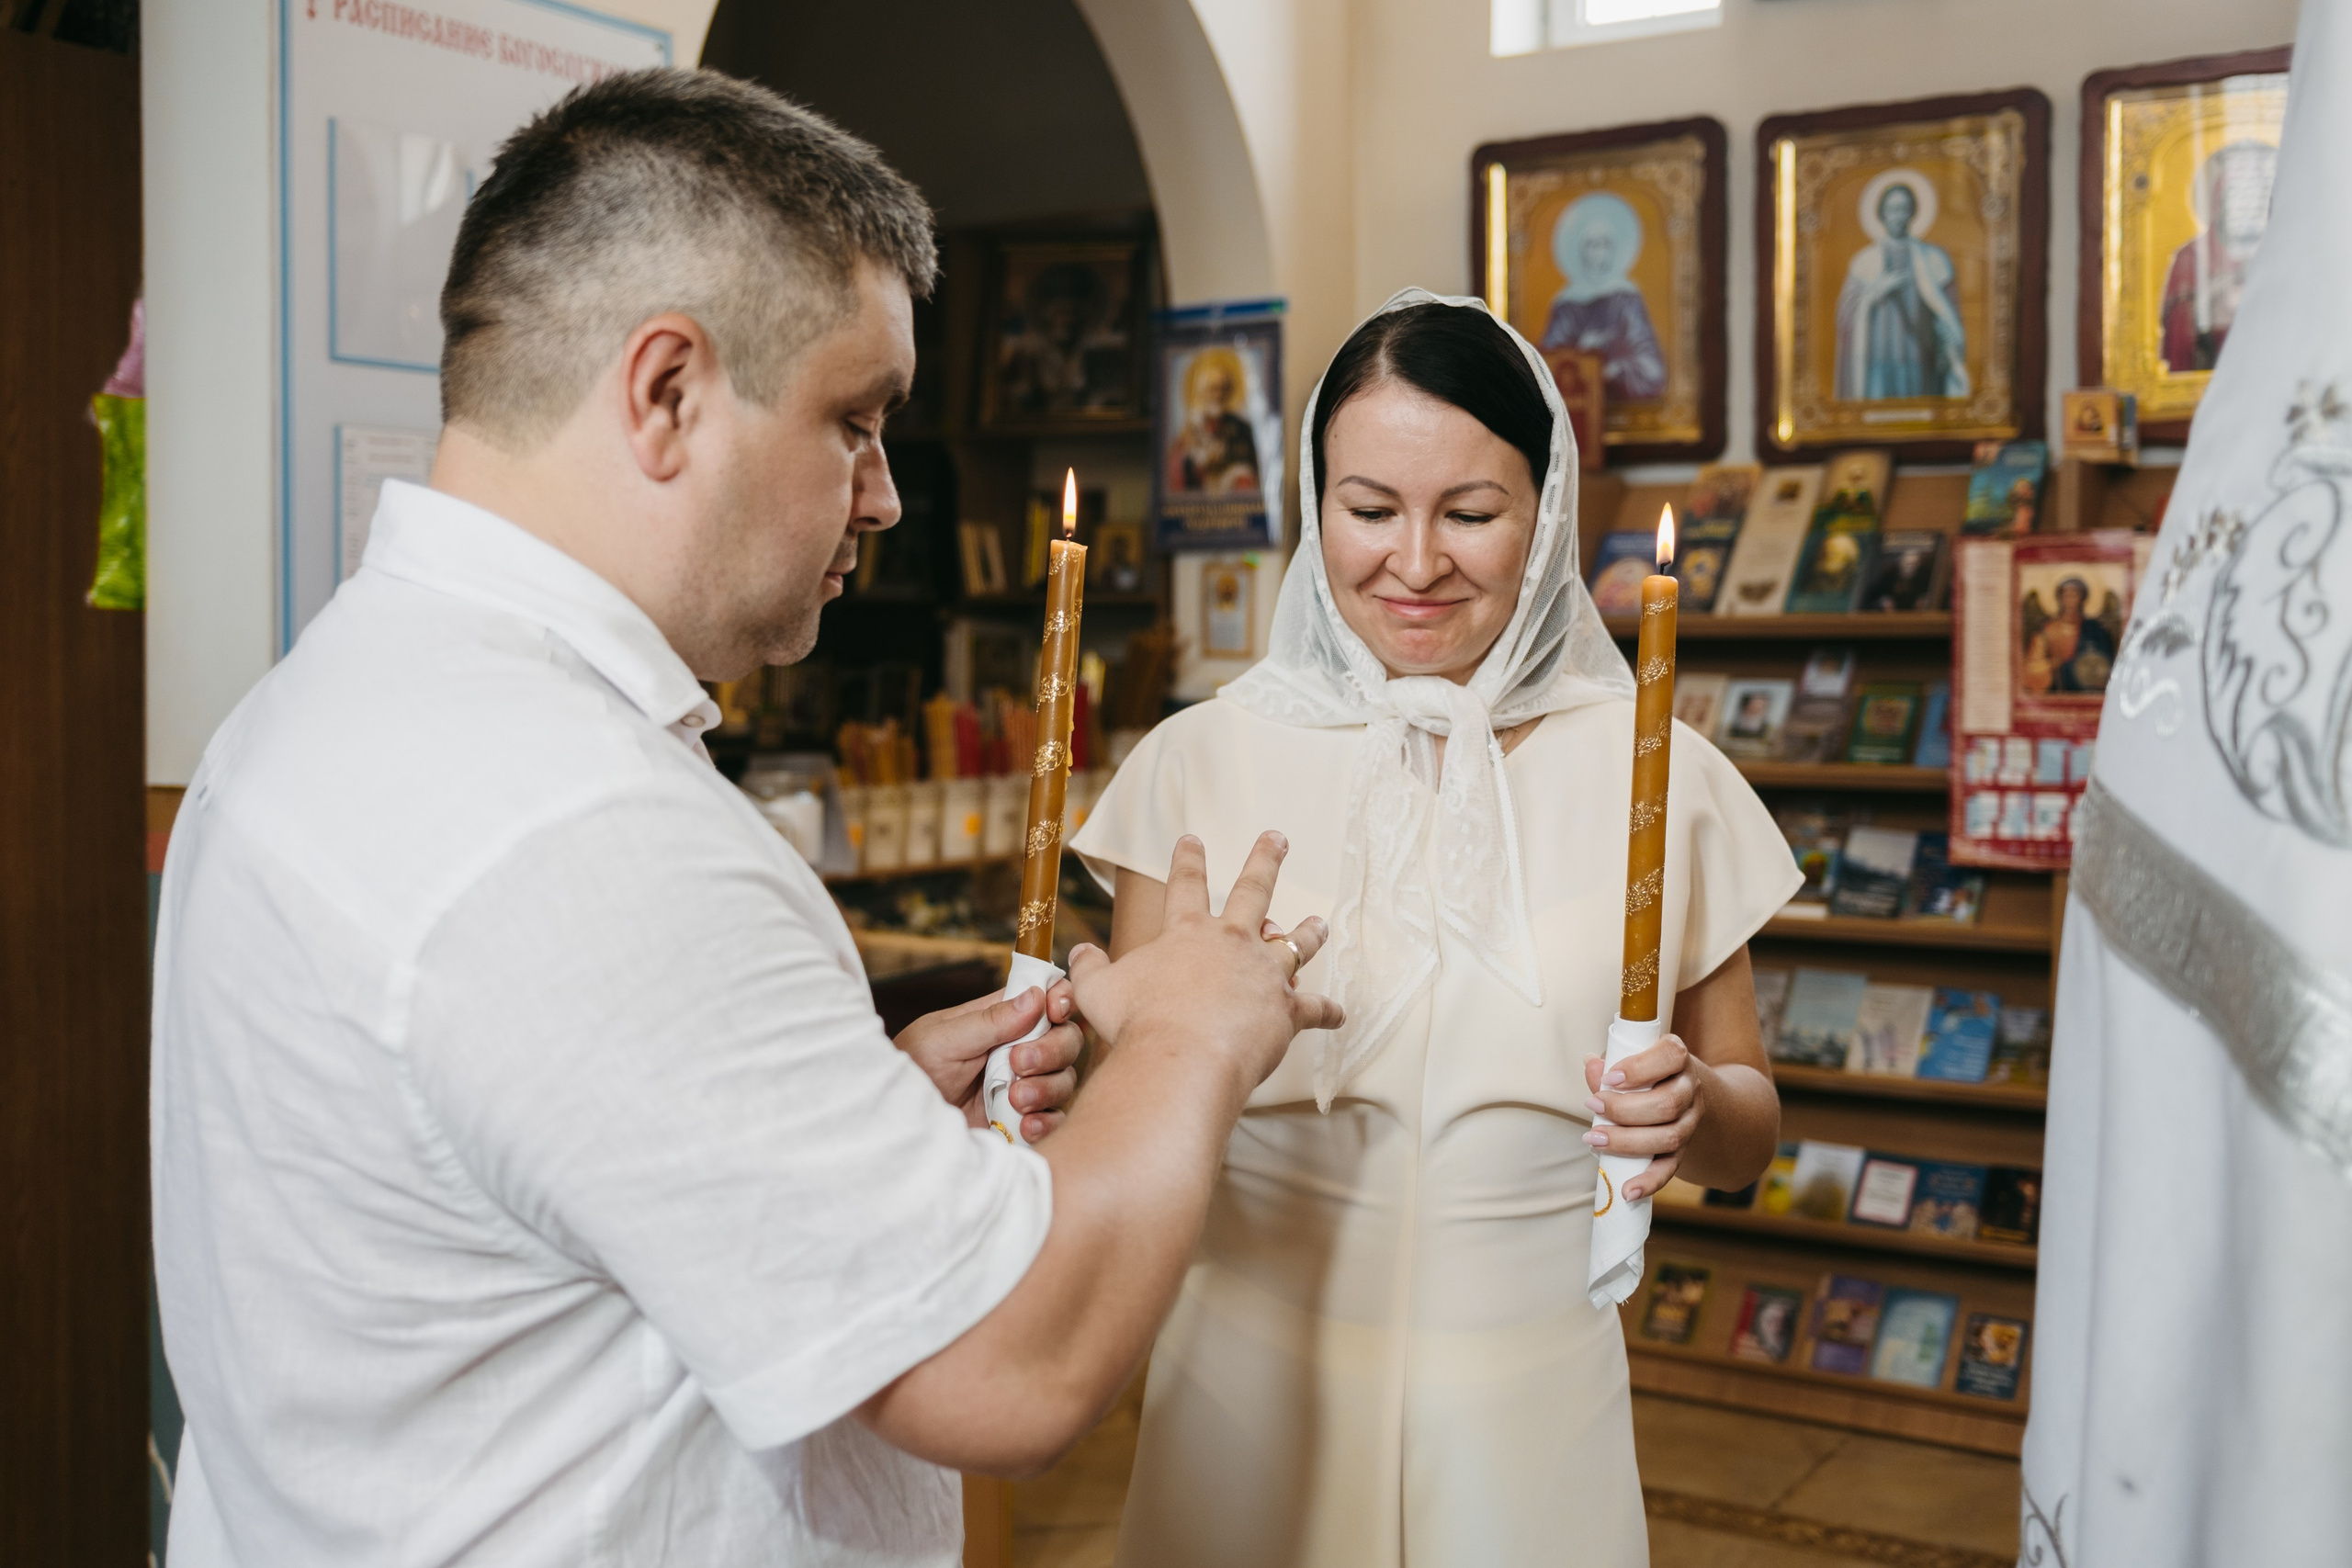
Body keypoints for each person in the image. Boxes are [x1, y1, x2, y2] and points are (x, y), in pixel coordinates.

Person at [150, 69, 1340, 1567]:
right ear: (668, 392)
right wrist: (1186, 1035)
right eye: (857, 419)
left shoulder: (319, 705)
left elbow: (520, 1183)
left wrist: (855, 1117)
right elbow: (1014, 1360)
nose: (884, 495)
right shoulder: (587, 827)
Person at [1069, 290, 1801, 1568]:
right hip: (1246, 1389)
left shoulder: (1656, 772)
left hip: (1531, 1404)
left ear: (1546, 513)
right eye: (1370, 511)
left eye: (1469, 513)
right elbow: (1114, 1124)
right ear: (1316, 509)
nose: (1415, 564)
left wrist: (1692, 1109)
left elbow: (1747, 1136)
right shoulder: (1197, 762)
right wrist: (1056, 1084)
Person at [1834, 171, 1970, 400]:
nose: (1898, 216)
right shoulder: (1865, 261)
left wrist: (1947, 341)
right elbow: (1846, 314)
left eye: (1904, 209)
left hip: (1918, 354)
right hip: (1877, 358)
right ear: (1882, 214)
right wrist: (1874, 294)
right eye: (1892, 209)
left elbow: (1949, 314)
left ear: (1912, 213)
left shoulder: (1933, 259)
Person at [2159, 141, 2278, 374]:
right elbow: (2180, 329)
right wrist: (2211, 296)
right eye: (2238, 199)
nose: (2247, 208)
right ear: (2218, 202)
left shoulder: (2278, 253)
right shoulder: (2191, 257)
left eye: (2255, 201)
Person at [1537, 190, 1667, 403]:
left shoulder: (1627, 300)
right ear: (1580, 251)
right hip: (1576, 406)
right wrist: (1582, 354)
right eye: (1591, 245)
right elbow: (1544, 369)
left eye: (1605, 245)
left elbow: (1651, 367)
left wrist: (1615, 368)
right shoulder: (1566, 304)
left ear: (1614, 250)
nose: (1599, 253)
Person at [1167, 345, 1261, 495]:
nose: (1218, 395)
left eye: (1223, 388)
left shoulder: (1242, 428)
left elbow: (1251, 465)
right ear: (1201, 391)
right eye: (1212, 388)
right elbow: (1177, 467)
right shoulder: (1190, 428)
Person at [2020, 576, 2118, 694]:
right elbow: (2032, 669)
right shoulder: (2047, 631)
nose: (2070, 601)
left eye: (2075, 595)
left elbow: (2107, 665)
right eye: (2066, 596)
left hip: (2088, 692)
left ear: (2083, 598)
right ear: (2059, 599)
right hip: (2056, 693)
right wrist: (2054, 664)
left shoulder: (2096, 630)